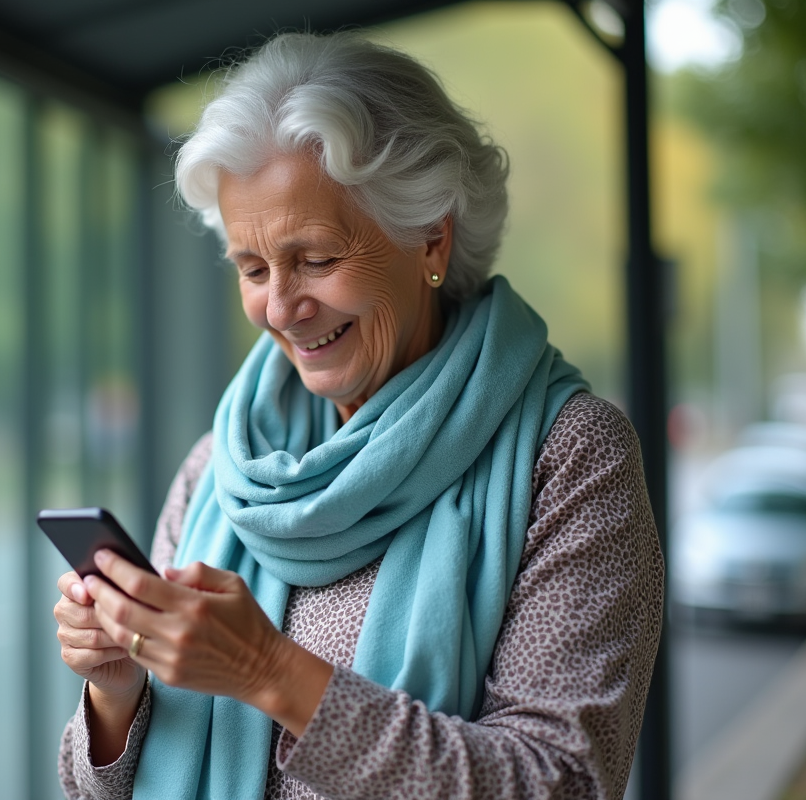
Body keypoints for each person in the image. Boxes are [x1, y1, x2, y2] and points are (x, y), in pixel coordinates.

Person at [54, 31, 662, 800]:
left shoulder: (569, 455)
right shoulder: (221, 466)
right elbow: (92, 790)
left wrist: (270, 672)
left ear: (431, 238)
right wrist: (117, 688)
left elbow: (560, 783)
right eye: (252, 267)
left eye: (316, 259)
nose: (280, 307)